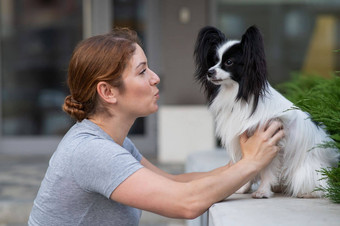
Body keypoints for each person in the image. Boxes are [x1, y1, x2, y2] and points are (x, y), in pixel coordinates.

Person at [28, 28, 284, 226]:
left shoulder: (113, 142)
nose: (155, 78)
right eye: (142, 72)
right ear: (107, 92)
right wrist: (249, 164)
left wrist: (238, 164)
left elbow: (174, 182)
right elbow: (186, 202)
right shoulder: (91, 152)